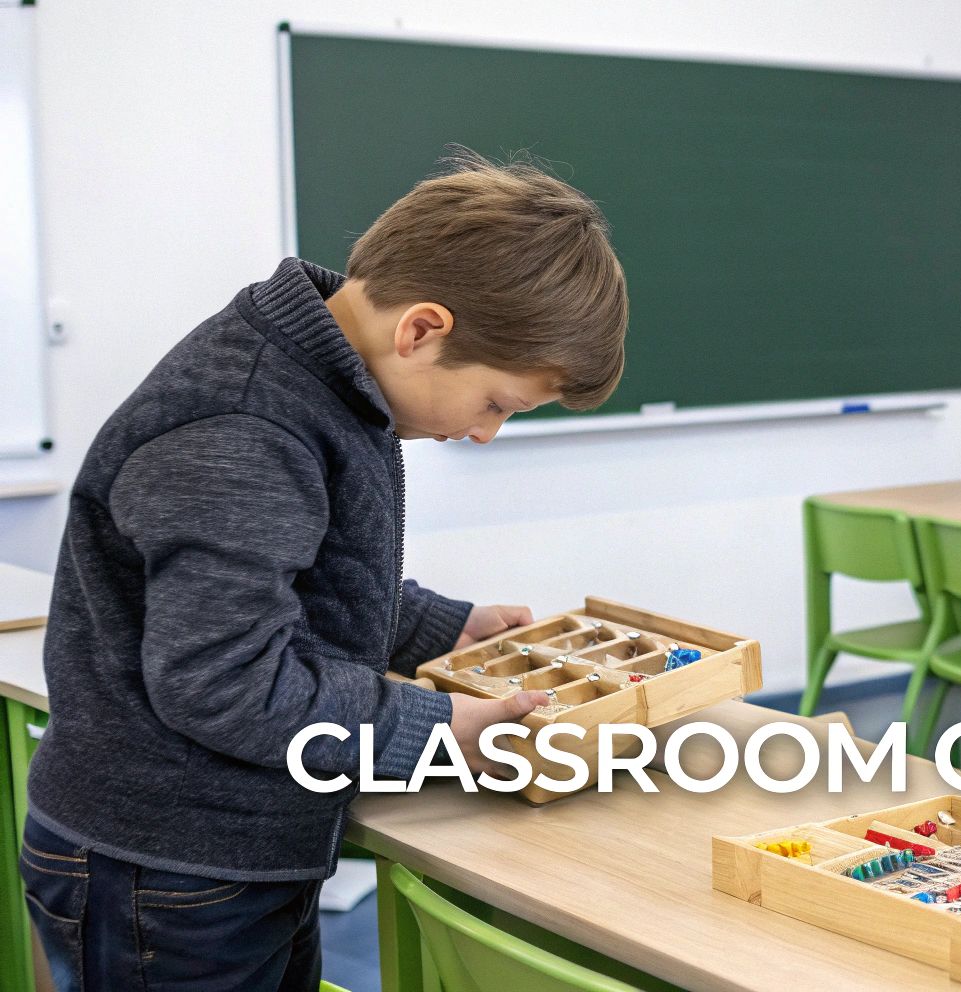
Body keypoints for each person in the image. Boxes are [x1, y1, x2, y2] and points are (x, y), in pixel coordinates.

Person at [20, 151, 629, 991]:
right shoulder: (245, 424)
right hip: (166, 871)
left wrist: (438, 627)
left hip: (223, 853)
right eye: (498, 405)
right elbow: (224, 679)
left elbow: (297, 581)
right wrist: (434, 728)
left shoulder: (326, 378)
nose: (488, 434)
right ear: (421, 329)